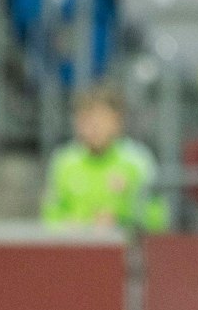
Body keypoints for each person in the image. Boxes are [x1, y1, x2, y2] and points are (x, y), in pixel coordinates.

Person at [43, 85, 167, 231]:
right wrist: (72, 226)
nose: (94, 128)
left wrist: (121, 217)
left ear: (117, 122)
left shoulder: (138, 161)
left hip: (124, 250)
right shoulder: (63, 161)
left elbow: (158, 219)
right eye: (86, 120)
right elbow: (49, 217)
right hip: (74, 249)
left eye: (101, 120)